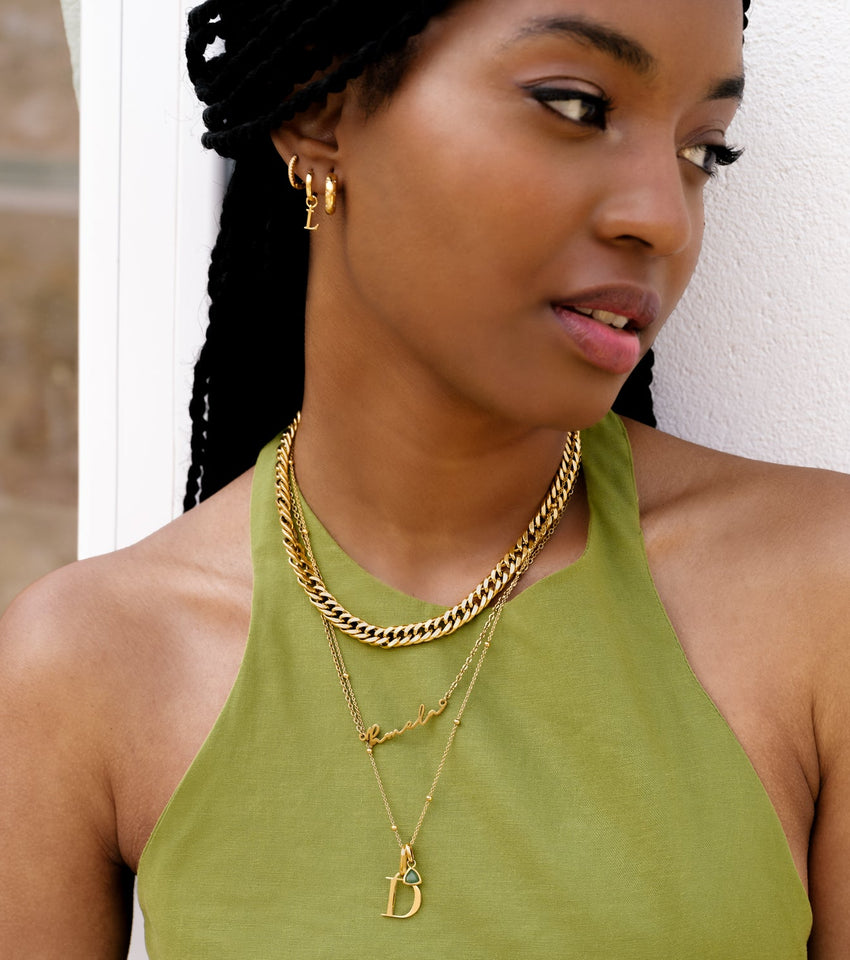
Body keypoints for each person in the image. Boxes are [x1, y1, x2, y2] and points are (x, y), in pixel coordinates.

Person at [1, 0, 848, 956]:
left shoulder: (818, 595)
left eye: (704, 151)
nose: (662, 217)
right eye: (574, 106)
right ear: (320, 110)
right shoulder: (86, 669)